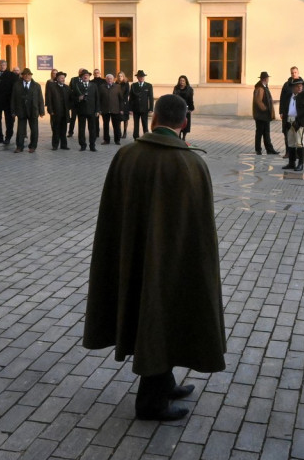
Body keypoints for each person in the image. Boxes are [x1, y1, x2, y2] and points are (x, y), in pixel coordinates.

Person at [84, 94, 226, 421]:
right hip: (173, 265)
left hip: (131, 259)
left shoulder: (126, 155)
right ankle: (150, 403)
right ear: (184, 123)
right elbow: (200, 233)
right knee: (162, 317)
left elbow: (112, 218)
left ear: (152, 119)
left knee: (152, 315)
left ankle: (164, 381)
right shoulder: (191, 164)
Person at [281, 77, 304, 172]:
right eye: (298, 86)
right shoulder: (288, 96)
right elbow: (284, 108)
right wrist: (285, 119)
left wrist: (303, 120)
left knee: (299, 142)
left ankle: (300, 164)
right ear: (292, 87)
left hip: (299, 122)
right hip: (289, 121)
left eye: (301, 86)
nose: (300, 88)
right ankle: (291, 163)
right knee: (290, 142)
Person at [12, 68, 44, 153]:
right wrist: (13, 111)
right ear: (22, 76)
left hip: (33, 110)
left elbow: (40, 99)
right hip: (21, 110)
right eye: (25, 75)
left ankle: (33, 146)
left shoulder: (36, 85)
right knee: (21, 130)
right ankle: (19, 146)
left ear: (31, 76)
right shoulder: (17, 85)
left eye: (28, 75)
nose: (26, 76)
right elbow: (13, 99)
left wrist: (41, 111)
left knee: (34, 130)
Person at [279, 66, 304, 153]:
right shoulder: (286, 84)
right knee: (288, 136)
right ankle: (288, 154)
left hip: (299, 117)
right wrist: (281, 111)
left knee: (299, 140)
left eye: (295, 72)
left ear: (298, 73)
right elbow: (282, 98)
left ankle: (299, 160)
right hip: (288, 116)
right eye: (292, 73)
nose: (294, 74)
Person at [0, 59, 17, 147]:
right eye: (0, 65)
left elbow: (15, 90)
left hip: (8, 102)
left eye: (4, 65)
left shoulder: (12, 75)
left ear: (6, 66)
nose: (2, 66)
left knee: (9, 121)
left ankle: (8, 137)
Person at [72, 68, 100, 151]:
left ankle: (92, 145)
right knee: (81, 129)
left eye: (87, 75)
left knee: (92, 129)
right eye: (84, 76)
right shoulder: (77, 85)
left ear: (89, 77)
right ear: (81, 77)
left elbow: (97, 98)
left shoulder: (93, 85)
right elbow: (72, 98)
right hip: (81, 111)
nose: (86, 77)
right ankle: (82, 145)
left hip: (92, 111)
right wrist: (78, 99)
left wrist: (97, 110)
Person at [252, 71, 278, 156]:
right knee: (260, 132)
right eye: (267, 78)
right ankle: (258, 150)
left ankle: (269, 149)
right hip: (261, 115)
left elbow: (265, 99)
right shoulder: (260, 88)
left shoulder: (264, 87)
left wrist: (272, 102)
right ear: (265, 79)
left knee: (266, 132)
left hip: (264, 115)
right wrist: (266, 108)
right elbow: (258, 101)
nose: (268, 80)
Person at [46, 70, 71, 150]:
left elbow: (70, 99)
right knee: (56, 129)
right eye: (61, 78)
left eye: (63, 78)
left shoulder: (67, 87)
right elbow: (49, 99)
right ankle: (55, 145)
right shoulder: (52, 87)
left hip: (64, 112)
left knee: (64, 130)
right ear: (57, 78)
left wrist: (69, 107)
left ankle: (64, 145)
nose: (63, 79)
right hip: (56, 112)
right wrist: (50, 110)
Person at [128, 70, 154, 140]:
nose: (142, 78)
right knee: (136, 124)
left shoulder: (148, 86)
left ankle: (146, 137)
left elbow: (151, 98)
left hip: (144, 109)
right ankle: (136, 137)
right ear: (137, 77)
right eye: (140, 76)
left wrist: (151, 108)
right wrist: (130, 109)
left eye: (143, 76)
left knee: (145, 124)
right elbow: (131, 98)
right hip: (135, 108)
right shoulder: (133, 85)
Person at [101, 73, 125, 145]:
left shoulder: (117, 87)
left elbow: (121, 99)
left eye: (111, 79)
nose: (109, 80)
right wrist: (99, 109)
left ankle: (117, 140)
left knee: (116, 126)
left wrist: (121, 109)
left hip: (115, 109)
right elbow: (99, 99)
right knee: (105, 126)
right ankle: (106, 140)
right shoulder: (102, 87)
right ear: (106, 79)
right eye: (108, 79)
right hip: (105, 109)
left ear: (113, 79)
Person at [173, 75, 194, 141]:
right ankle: (178, 136)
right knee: (178, 124)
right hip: (178, 109)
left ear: (185, 82)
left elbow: (191, 99)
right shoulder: (176, 88)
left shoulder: (189, 89)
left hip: (186, 109)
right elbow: (174, 98)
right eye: (180, 81)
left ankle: (184, 137)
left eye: (183, 81)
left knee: (186, 124)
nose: (182, 82)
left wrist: (191, 108)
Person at [116, 71, 131, 139]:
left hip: (124, 103)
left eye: (121, 76)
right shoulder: (116, 83)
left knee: (125, 118)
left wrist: (123, 101)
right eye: (119, 76)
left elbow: (127, 94)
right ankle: (119, 132)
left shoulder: (126, 84)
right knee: (118, 118)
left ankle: (125, 132)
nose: (120, 77)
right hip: (117, 103)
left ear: (123, 76)